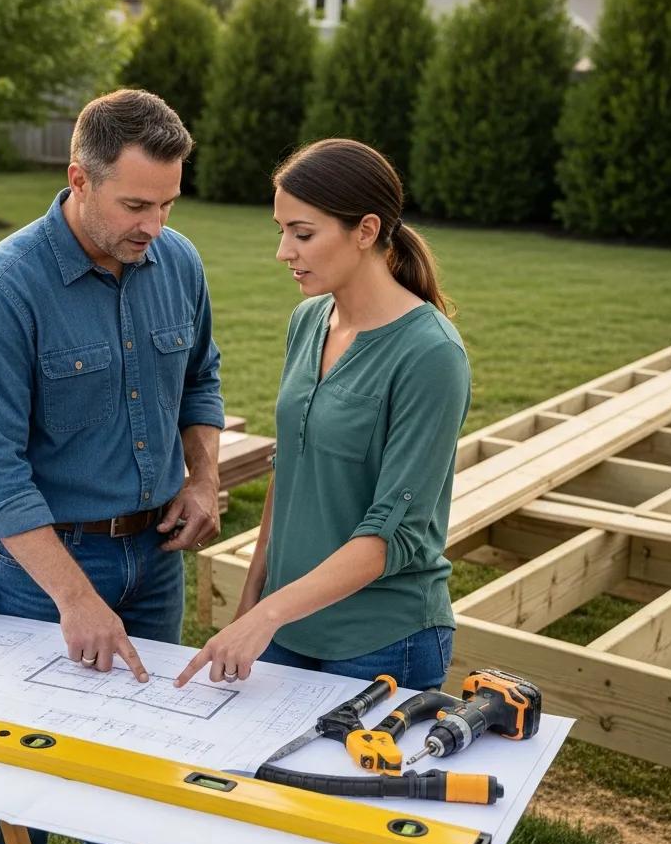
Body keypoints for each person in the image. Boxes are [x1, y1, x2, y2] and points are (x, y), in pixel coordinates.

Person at [0, 89, 225, 844]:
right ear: (79, 179)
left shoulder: (178, 262)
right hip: (42, 568)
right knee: (23, 752)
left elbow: (202, 378)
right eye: (137, 205)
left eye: (169, 203)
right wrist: (75, 596)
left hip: (156, 554)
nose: (155, 225)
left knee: (136, 733)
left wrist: (203, 478)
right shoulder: (5, 289)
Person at [175, 138, 470, 695]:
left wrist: (266, 616)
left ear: (365, 230)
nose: (283, 251)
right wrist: (252, 602)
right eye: (281, 230)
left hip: (381, 642)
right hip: (285, 626)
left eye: (303, 234)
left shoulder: (431, 355)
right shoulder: (308, 321)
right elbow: (288, 471)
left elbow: (392, 535)